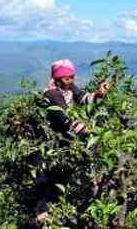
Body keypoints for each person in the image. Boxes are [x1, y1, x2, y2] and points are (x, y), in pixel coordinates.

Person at [33, 59, 110, 226]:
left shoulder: (68, 87)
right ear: (58, 78)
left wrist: (99, 94)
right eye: (67, 78)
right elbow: (65, 119)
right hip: (46, 143)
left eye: (72, 77)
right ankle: (42, 213)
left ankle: (59, 205)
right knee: (43, 178)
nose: (71, 80)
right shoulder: (52, 94)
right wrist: (90, 131)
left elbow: (83, 98)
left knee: (60, 175)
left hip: (61, 140)